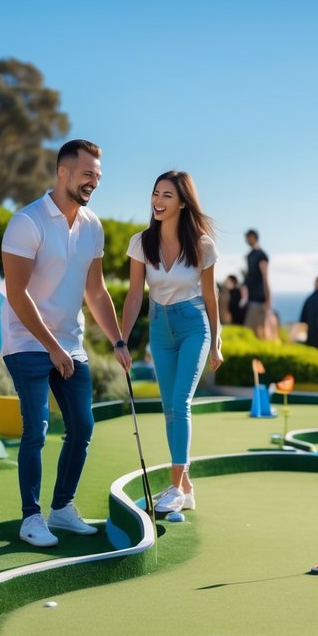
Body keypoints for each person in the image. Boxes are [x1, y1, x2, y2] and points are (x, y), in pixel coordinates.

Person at [1, 139, 132, 548]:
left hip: (69, 342)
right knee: (37, 428)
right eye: (87, 173)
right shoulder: (28, 222)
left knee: (82, 426)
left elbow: (95, 291)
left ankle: (61, 508)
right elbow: (17, 294)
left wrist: (118, 341)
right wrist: (50, 346)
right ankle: (31, 517)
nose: (93, 181)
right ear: (63, 172)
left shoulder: (93, 225)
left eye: (98, 175)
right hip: (25, 340)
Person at [121, 171, 222, 514]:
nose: (158, 201)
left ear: (182, 202)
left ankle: (175, 488)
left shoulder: (203, 245)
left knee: (180, 403)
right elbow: (135, 296)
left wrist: (216, 342)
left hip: (194, 326)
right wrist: (121, 340)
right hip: (160, 329)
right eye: (156, 194)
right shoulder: (141, 242)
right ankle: (187, 487)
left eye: (167, 196)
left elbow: (211, 297)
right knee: (169, 408)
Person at [242, 229, 271, 338]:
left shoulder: (261, 255)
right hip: (251, 298)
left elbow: (265, 277)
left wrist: (268, 299)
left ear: (254, 237)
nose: (247, 240)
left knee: (258, 332)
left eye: (249, 237)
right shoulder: (249, 255)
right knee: (252, 332)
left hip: (259, 299)